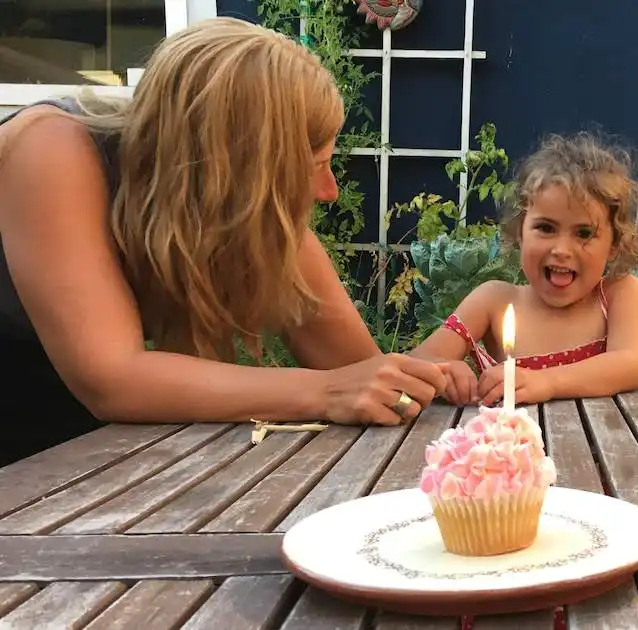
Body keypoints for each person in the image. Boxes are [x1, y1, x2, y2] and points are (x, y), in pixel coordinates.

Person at [0, 17, 448, 467]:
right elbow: (113, 379)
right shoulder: (50, 150)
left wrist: (427, 383)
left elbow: (360, 374)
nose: (328, 190)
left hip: (86, 459)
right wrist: (326, 391)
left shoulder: (252, 215)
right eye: (314, 166)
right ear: (241, 168)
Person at [409, 132, 638, 406]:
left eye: (584, 233)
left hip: (602, 445)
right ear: (520, 232)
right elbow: (419, 361)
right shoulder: (494, 301)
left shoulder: (618, 294)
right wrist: (443, 371)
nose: (562, 249)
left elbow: (630, 364)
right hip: (511, 446)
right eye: (546, 228)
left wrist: (546, 381)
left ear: (614, 244)